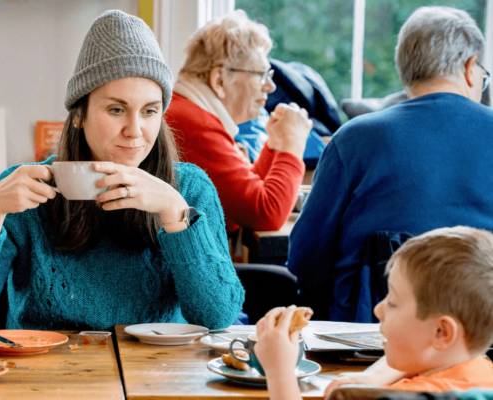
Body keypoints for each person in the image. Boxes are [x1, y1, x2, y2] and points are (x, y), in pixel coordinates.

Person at [0, 10, 244, 332]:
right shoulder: (25, 191)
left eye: (150, 111)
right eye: (116, 109)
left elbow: (217, 318)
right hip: (44, 374)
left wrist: (175, 212)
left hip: (155, 376)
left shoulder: (189, 189)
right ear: (79, 114)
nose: (135, 130)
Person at [287, 6, 493, 321]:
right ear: (470, 67)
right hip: (481, 341)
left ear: (404, 71)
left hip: (370, 340)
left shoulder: (354, 139)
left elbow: (305, 260)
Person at [257, 226, 493, 400]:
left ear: (442, 332)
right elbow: (421, 354)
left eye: (393, 303)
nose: (378, 309)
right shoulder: (479, 370)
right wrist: (371, 378)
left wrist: (279, 373)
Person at [165, 10, 313, 232]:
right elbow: (266, 214)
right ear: (220, 80)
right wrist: (293, 144)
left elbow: (242, 199)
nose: (270, 87)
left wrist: (275, 145)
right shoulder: (195, 124)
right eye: (261, 75)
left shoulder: (190, 112)